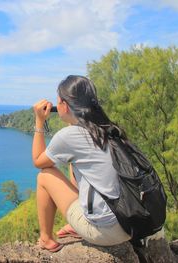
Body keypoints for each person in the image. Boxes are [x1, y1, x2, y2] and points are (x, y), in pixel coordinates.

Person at [32, 75, 131, 252]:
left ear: (64, 105)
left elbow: (38, 161)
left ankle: (45, 238)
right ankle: (76, 223)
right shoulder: (109, 128)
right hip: (130, 223)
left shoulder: (70, 136)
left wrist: (39, 121)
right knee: (75, 162)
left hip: (106, 231)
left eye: (59, 101)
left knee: (44, 175)